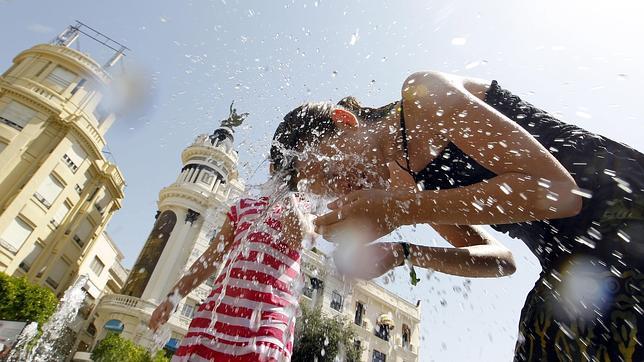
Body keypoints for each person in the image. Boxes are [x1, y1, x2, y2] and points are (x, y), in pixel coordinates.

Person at [270, 71, 644, 361]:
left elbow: (560, 193)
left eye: (335, 171)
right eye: (333, 191)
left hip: (623, 209)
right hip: (572, 260)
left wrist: (401, 209)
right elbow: (502, 262)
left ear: (344, 120)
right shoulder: (409, 187)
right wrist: (404, 252)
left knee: (547, 328)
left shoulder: (421, 96)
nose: (346, 186)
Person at [148, 193, 309, 362]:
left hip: (268, 325)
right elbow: (211, 258)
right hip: (214, 321)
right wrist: (173, 296)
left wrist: (289, 194)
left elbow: (298, 238)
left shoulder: (305, 210)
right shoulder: (242, 206)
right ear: (271, 169)